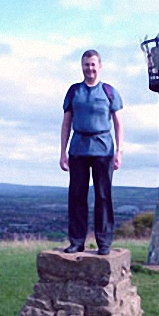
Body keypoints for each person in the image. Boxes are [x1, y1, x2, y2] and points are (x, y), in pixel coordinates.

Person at [60, 49, 123, 255]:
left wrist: (119, 152)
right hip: (78, 148)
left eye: (93, 64)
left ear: (100, 66)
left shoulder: (108, 91)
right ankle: (77, 241)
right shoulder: (74, 91)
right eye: (86, 64)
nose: (90, 68)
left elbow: (118, 124)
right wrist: (62, 152)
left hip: (103, 149)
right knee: (77, 196)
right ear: (82, 66)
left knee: (103, 196)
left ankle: (104, 242)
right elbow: (66, 123)